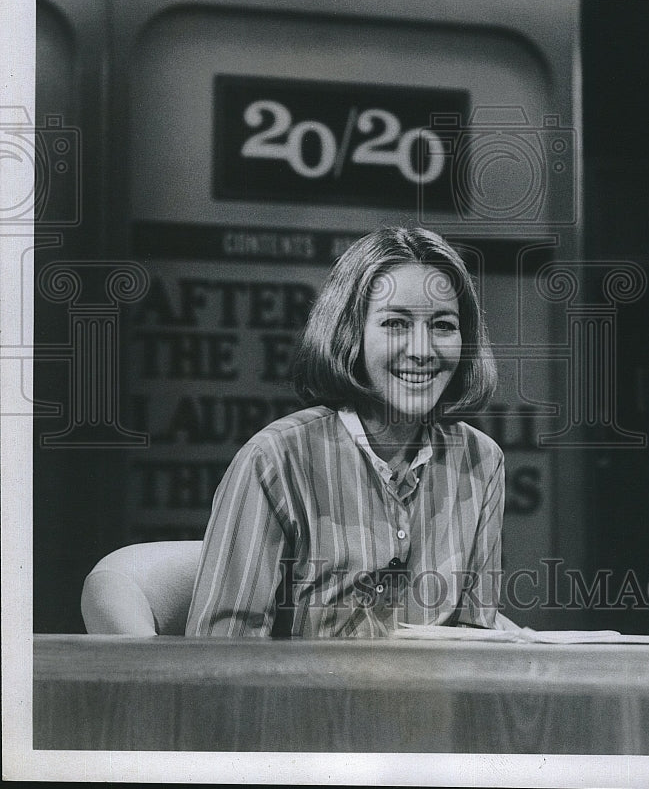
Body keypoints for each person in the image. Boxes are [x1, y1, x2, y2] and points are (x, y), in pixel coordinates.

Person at [185, 225, 515, 638]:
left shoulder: (481, 459)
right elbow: (221, 653)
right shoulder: (275, 458)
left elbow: (475, 635)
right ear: (350, 335)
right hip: (302, 702)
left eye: (443, 325)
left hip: (430, 702)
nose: (422, 350)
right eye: (395, 323)